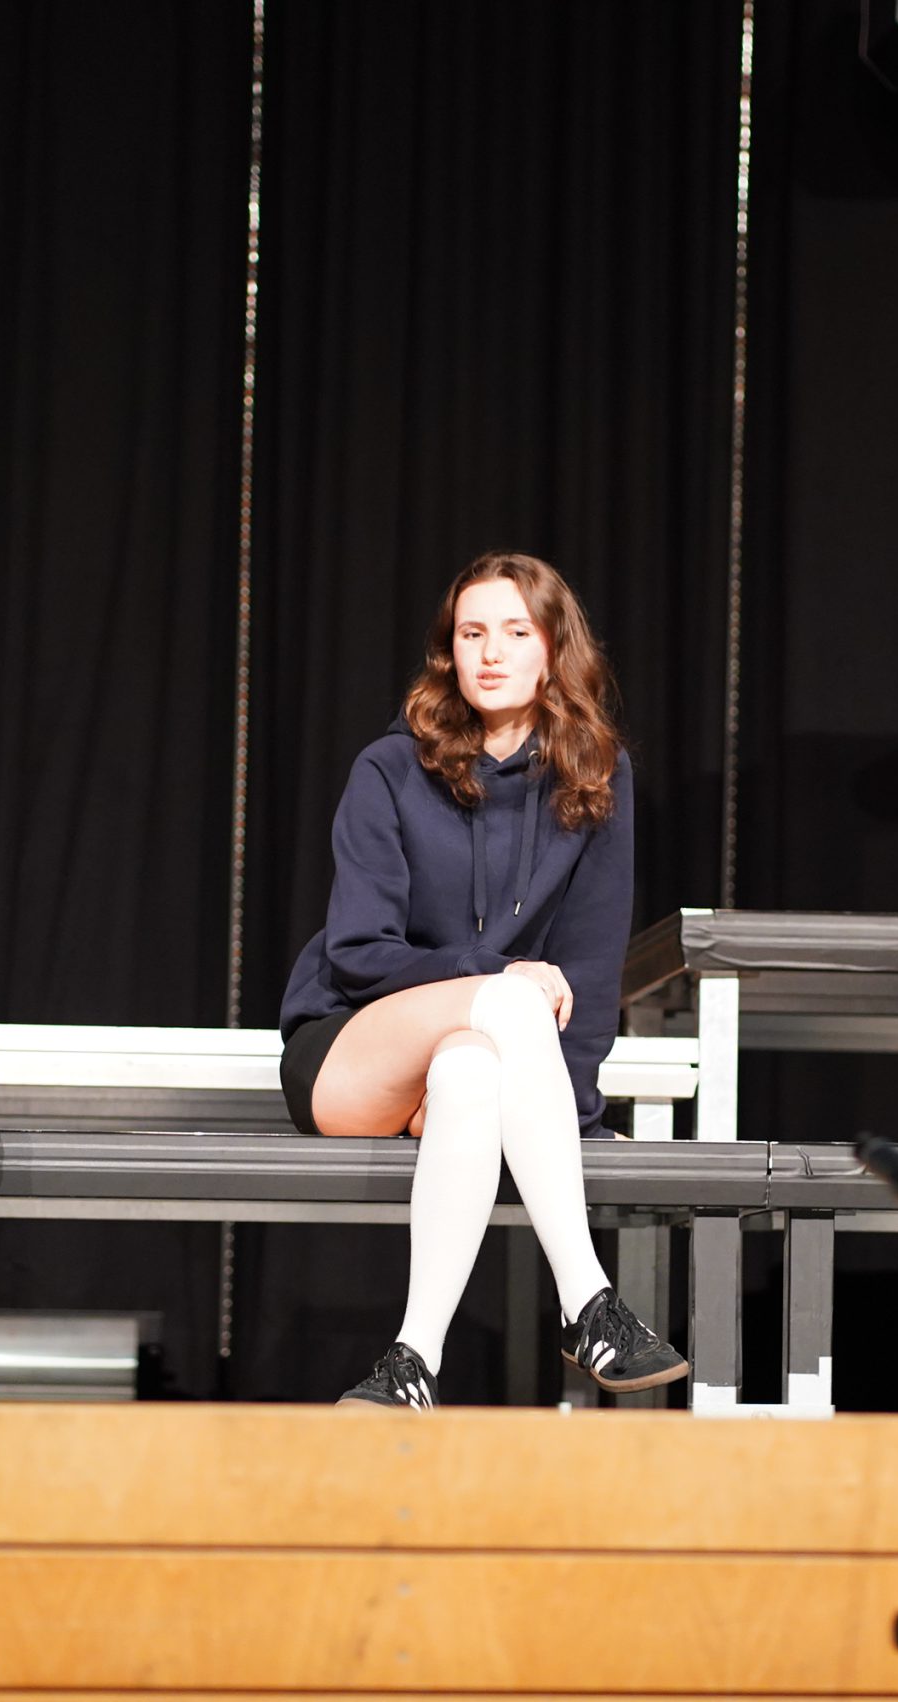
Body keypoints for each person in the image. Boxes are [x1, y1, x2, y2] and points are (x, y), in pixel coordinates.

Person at [279, 551, 685, 1409]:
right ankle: (589, 1301)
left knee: (470, 1068)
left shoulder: (596, 775)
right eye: (471, 633)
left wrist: (570, 1115)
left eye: (514, 632)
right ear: (449, 651)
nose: (491, 652)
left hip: (477, 1055)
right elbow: (358, 951)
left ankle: (411, 1361)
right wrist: (494, 973)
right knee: (508, 998)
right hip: (354, 1049)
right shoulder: (389, 769)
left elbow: (589, 968)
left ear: (553, 650)